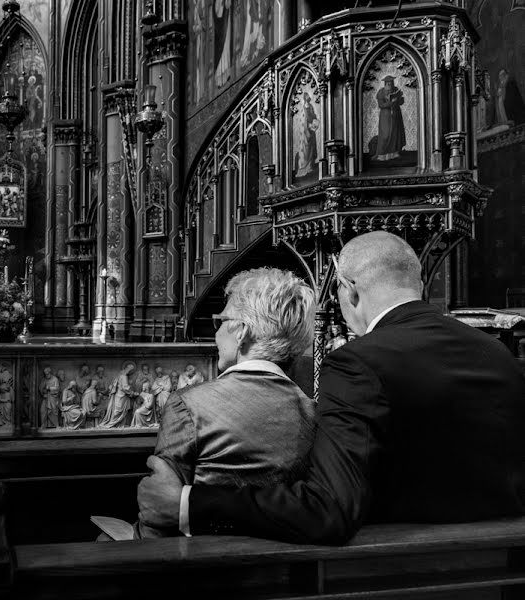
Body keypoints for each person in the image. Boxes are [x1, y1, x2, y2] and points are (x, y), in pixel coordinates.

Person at [138, 231, 525, 543]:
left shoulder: (360, 362)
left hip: (402, 567)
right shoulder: (497, 353)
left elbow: (329, 510)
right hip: (504, 562)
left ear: (348, 288)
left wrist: (190, 503)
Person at [142, 268, 316, 538]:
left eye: (221, 321)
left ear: (241, 333)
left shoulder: (190, 404)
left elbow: (159, 513)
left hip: (202, 566)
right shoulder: (312, 411)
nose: (217, 332)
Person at [374, 76, 406, 161]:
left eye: (391, 83)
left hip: (395, 115)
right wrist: (391, 102)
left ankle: (393, 153)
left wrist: (399, 99)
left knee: (394, 134)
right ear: (385, 84)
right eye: (388, 83)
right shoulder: (381, 92)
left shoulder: (395, 90)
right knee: (386, 134)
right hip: (385, 116)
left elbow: (401, 102)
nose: (390, 85)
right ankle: (382, 155)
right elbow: (381, 105)